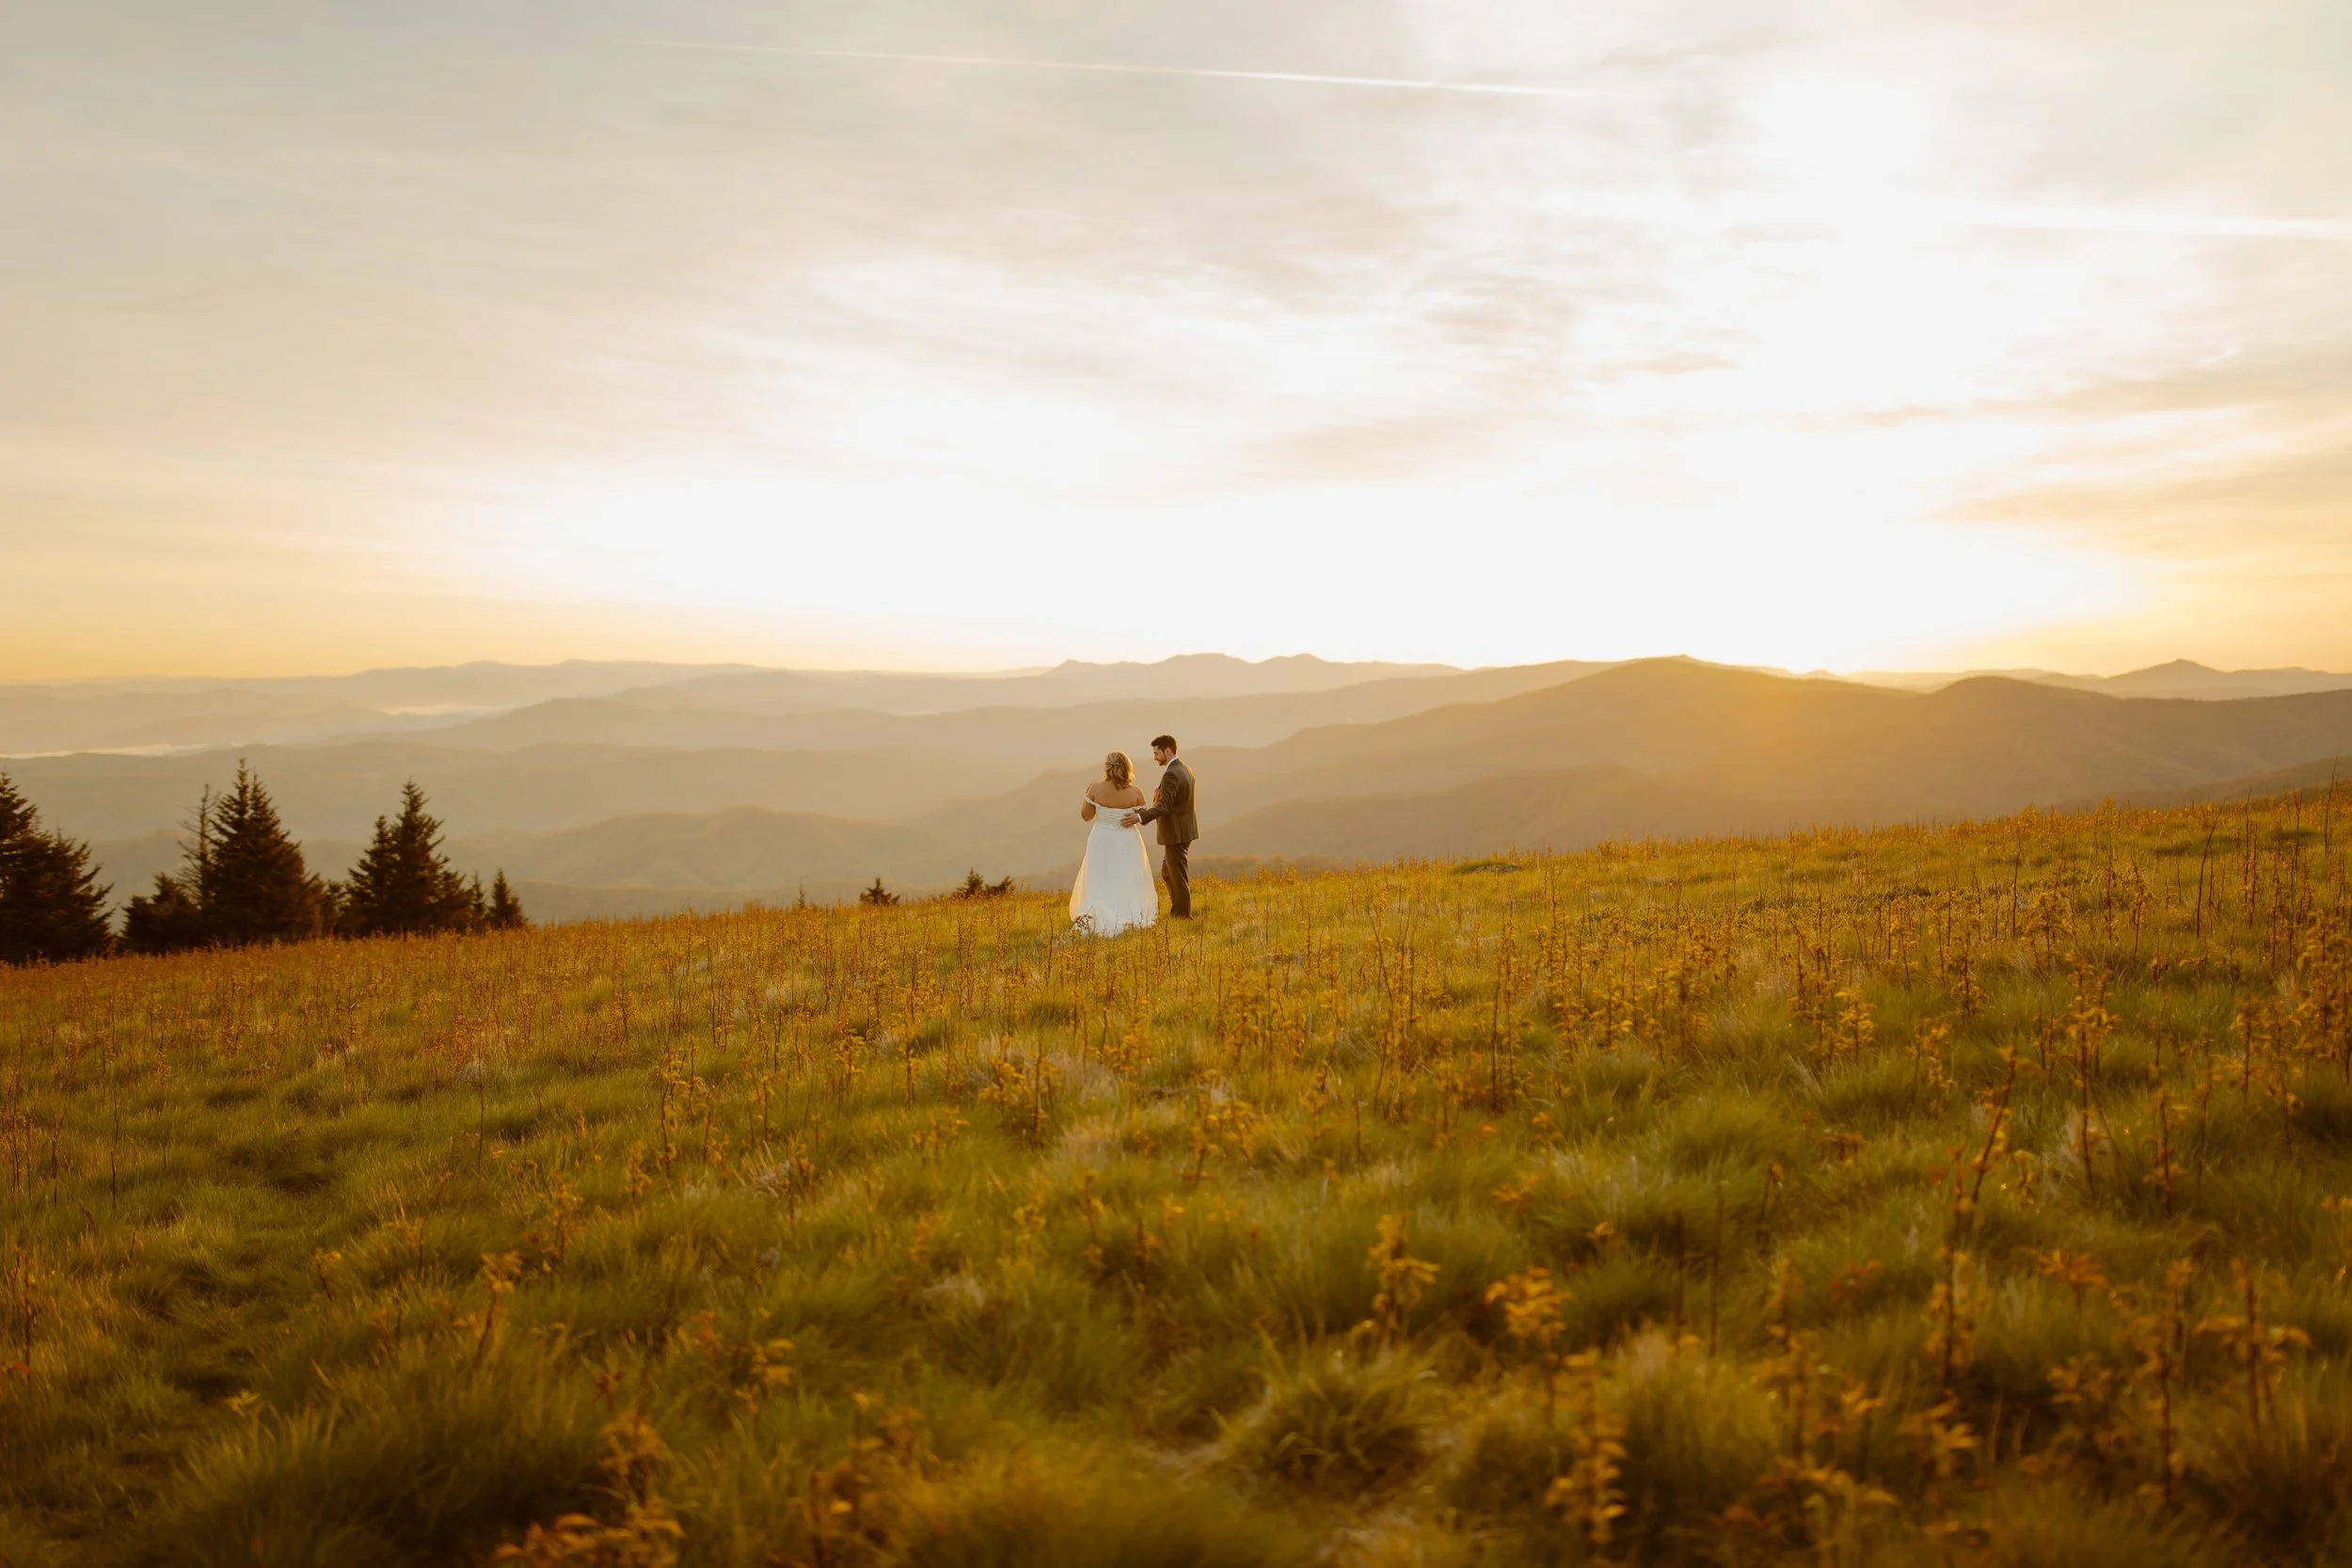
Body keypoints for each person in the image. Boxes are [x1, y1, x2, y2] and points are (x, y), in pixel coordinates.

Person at [1069, 751, 1156, 934]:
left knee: (1101, 875)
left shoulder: (1095, 788)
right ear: (1127, 768)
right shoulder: (1136, 791)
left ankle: (1099, 911)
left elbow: (1086, 816)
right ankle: (1129, 912)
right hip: (1127, 840)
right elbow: (1142, 815)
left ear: (1107, 768)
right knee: (1127, 876)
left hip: (1102, 839)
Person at [1121, 735, 1197, 919]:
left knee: (1177, 876)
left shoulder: (1172, 773)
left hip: (1175, 833)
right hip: (1185, 830)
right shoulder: (1185, 769)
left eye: (1157, 753)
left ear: (1168, 751)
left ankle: (1182, 915)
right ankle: (1178, 910)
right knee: (1167, 871)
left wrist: (1140, 816)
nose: (1154, 757)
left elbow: (1164, 806)